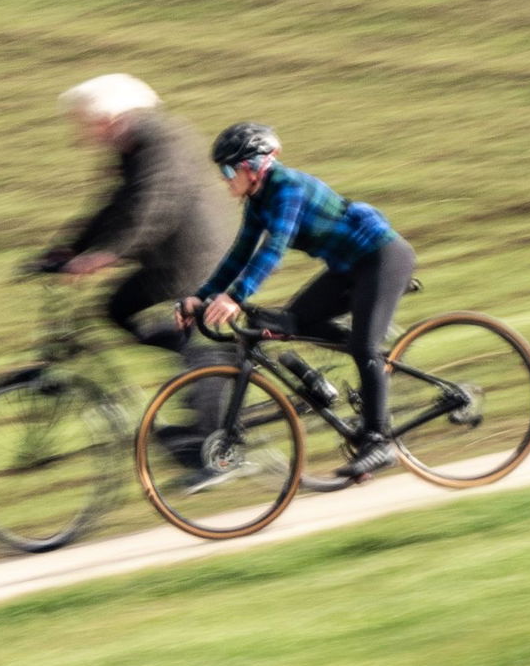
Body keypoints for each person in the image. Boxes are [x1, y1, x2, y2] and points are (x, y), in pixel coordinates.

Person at [177, 122, 416, 479]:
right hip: (348, 267)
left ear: (251, 166)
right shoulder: (257, 202)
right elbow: (238, 255)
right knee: (290, 321)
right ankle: (326, 384)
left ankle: (379, 442)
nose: (224, 179)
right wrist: (200, 297)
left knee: (364, 347)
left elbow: (274, 248)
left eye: (228, 170)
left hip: (382, 258)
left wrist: (237, 298)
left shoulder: (287, 188)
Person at [36, 74, 233, 451]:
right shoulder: (130, 145)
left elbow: (153, 203)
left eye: (84, 122)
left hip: (197, 254)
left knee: (196, 337)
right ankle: (203, 361)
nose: (82, 133)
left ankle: (210, 448)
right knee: (117, 308)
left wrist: (108, 253)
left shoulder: (158, 138)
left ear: (107, 116)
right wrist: (66, 250)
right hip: (169, 254)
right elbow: (114, 205)